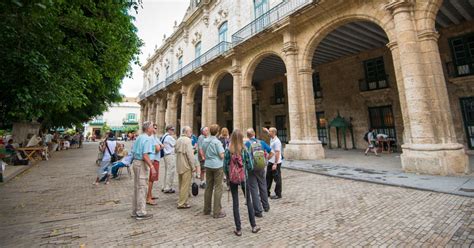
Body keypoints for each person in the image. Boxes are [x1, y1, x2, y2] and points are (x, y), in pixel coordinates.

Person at [223, 129, 261, 236]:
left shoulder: (228, 151)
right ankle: (253, 226)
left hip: (233, 179)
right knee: (248, 201)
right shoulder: (244, 150)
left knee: (236, 203)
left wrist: (229, 176)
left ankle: (238, 229)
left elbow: (225, 166)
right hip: (244, 177)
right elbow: (250, 166)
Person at [130, 121, 157, 220]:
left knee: (137, 188)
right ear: (148, 129)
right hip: (141, 164)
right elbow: (145, 155)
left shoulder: (140, 137)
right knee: (142, 188)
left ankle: (135, 211)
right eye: (152, 127)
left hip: (136, 163)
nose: (153, 129)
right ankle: (141, 212)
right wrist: (152, 167)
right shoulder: (147, 138)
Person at [245, 128, 272, 217]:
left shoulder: (247, 144)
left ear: (247, 135)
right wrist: (266, 160)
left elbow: (244, 157)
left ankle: (258, 211)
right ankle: (266, 206)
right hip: (261, 167)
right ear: (254, 134)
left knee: (253, 189)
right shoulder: (262, 142)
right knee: (263, 186)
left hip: (251, 168)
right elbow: (271, 152)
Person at [202, 124, 226, 218]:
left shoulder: (205, 140)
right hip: (217, 166)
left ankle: (206, 209)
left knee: (208, 187)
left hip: (208, 165)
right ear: (217, 132)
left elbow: (203, 151)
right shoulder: (217, 142)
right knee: (218, 188)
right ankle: (217, 211)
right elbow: (221, 155)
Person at [175, 126, 196, 209]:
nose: (191, 133)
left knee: (181, 184)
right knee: (185, 185)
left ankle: (182, 200)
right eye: (190, 131)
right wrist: (193, 166)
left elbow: (175, 150)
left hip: (179, 164)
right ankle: (182, 203)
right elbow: (190, 155)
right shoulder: (187, 140)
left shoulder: (179, 139)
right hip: (186, 165)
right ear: (187, 132)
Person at [263, 127, 283, 200]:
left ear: (274, 133)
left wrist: (275, 164)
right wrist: (266, 130)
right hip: (270, 161)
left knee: (277, 179)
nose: (269, 133)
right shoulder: (272, 138)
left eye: (270, 132)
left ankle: (278, 194)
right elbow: (269, 133)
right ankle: (266, 192)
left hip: (275, 162)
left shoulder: (277, 141)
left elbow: (277, 153)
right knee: (268, 177)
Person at [147, 124, 163, 205]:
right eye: (154, 128)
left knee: (152, 179)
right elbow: (157, 149)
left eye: (156, 128)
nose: (156, 129)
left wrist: (160, 146)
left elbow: (161, 145)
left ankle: (150, 194)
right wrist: (160, 147)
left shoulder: (155, 137)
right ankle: (148, 197)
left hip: (156, 159)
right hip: (153, 160)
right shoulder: (152, 138)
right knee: (151, 179)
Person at [161, 125, 177, 193]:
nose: (173, 131)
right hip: (170, 155)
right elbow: (175, 144)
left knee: (167, 171)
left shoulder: (164, 136)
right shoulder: (169, 137)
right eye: (172, 130)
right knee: (170, 172)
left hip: (166, 155)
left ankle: (164, 186)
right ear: (169, 130)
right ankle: (168, 187)